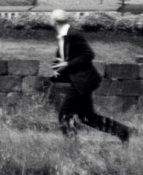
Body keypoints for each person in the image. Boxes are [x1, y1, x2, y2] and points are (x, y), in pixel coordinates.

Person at [50, 9, 130, 143]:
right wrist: (58, 70)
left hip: (82, 81)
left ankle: (72, 147)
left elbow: (88, 54)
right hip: (81, 81)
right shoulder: (64, 35)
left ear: (54, 21)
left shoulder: (73, 34)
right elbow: (65, 57)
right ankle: (121, 131)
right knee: (87, 117)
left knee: (64, 114)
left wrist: (67, 65)